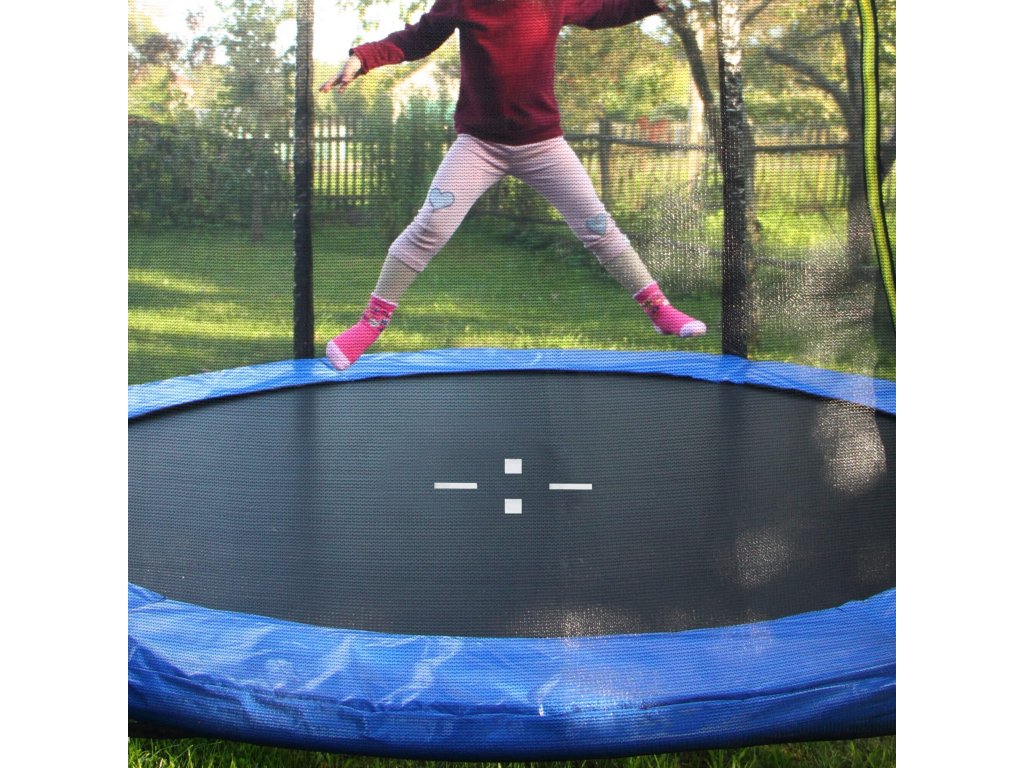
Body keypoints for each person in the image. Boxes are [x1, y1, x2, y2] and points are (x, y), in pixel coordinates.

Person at [319, 0, 705, 371]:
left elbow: (602, 8)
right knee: (430, 226)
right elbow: (418, 37)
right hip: (479, 145)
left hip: (543, 144)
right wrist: (363, 58)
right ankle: (370, 324)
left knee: (597, 226)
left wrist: (648, 2)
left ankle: (658, 310)